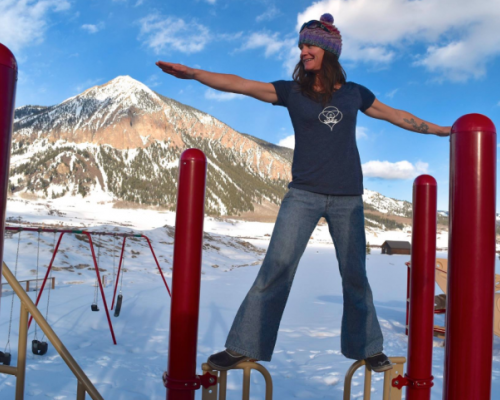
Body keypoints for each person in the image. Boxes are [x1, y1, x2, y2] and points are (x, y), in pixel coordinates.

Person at [157, 13, 450, 373]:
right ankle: (244, 345)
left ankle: (368, 347)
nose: (303, 51)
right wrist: (195, 74)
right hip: (303, 194)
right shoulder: (291, 93)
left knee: (355, 274)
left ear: (328, 51)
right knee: (276, 267)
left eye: (309, 45)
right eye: (301, 46)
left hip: (348, 199)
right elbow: (241, 84)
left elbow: (396, 115)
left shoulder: (356, 94)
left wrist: (438, 130)